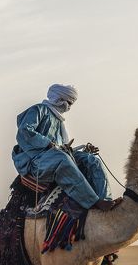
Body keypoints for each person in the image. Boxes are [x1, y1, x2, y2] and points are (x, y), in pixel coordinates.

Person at [11, 84, 119, 212]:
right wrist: (47, 143)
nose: (69, 107)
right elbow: (24, 131)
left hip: (55, 156)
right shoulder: (38, 110)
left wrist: (83, 151)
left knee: (91, 160)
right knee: (62, 159)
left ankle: (105, 199)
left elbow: (62, 148)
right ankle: (93, 202)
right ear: (59, 100)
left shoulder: (59, 121)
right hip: (35, 161)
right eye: (68, 103)